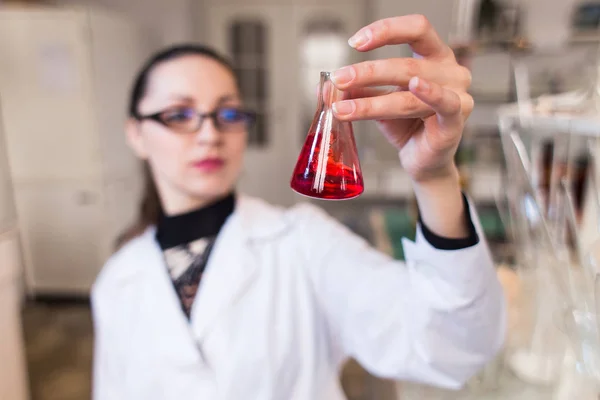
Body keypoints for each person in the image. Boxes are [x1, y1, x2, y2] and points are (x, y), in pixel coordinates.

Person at [92, 14, 505, 400]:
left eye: (228, 112)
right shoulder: (116, 281)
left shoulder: (304, 242)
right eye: (179, 114)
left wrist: (434, 179)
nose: (209, 134)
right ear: (136, 134)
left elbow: (452, 345)